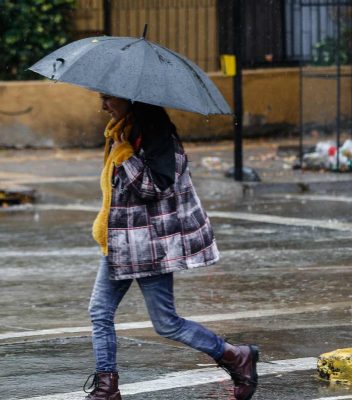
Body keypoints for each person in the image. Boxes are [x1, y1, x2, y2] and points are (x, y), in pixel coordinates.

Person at [83, 94, 259, 400]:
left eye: (108, 99)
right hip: (123, 242)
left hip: (148, 246)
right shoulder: (123, 130)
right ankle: (107, 388)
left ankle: (234, 355)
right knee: (100, 311)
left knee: (166, 323)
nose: (103, 106)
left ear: (129, 98)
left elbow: (154, 186)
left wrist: (125, 156)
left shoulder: (154, 132)